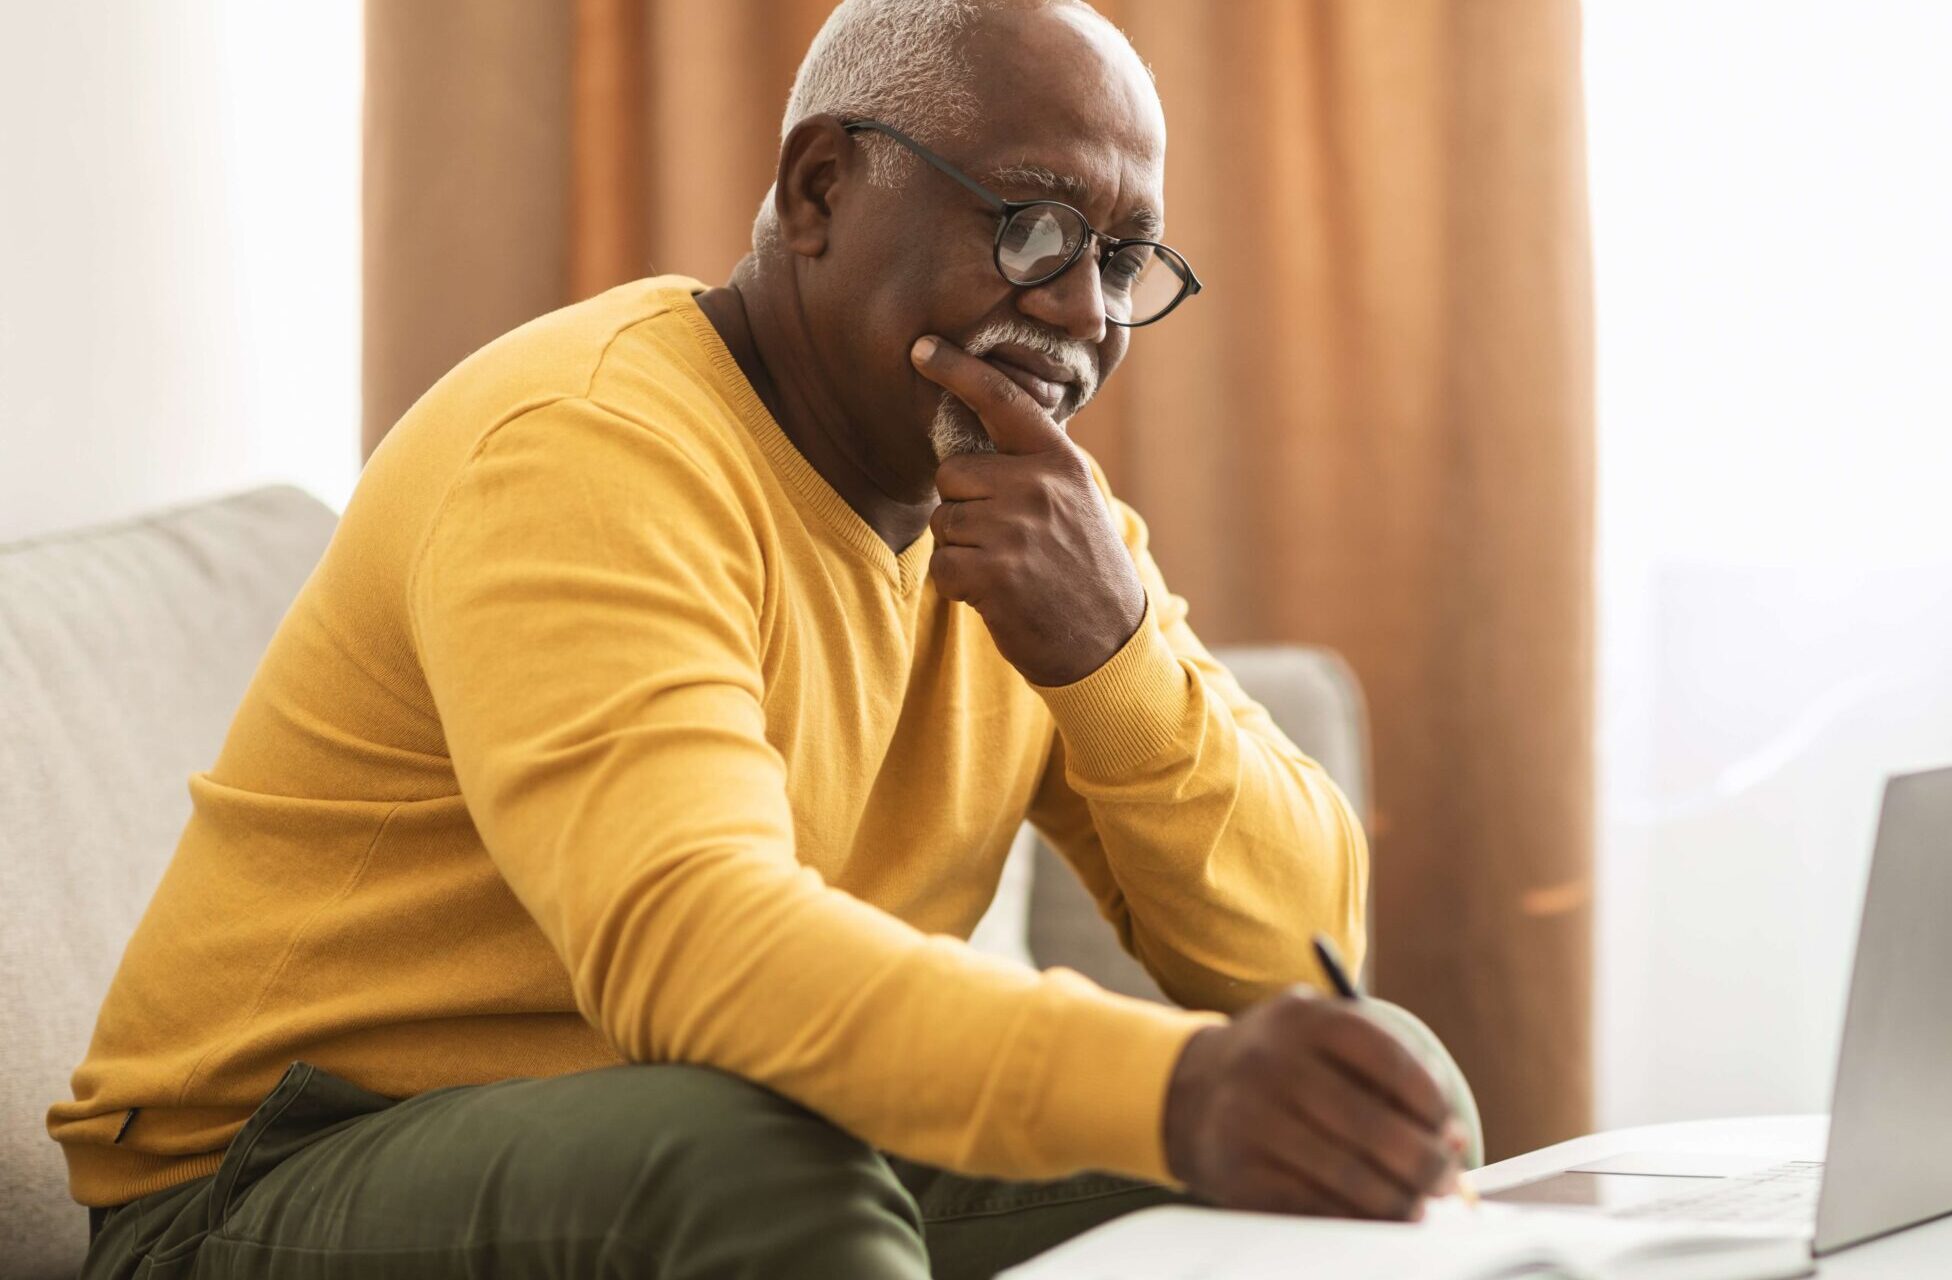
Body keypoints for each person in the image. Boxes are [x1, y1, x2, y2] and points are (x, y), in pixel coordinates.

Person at [53, 2, 1476, 1275]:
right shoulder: (589, 446)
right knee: (750, 1161)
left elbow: (1296, 962)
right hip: (259, 1185)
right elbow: (690, 947)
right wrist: (1175, 1094)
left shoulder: (1034, 516)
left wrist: (1111, 657)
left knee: (1378, 1106)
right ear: (819, 190)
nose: (1081, 314)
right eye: (1031, 227)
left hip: (715, 1120)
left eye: (1123, 260)